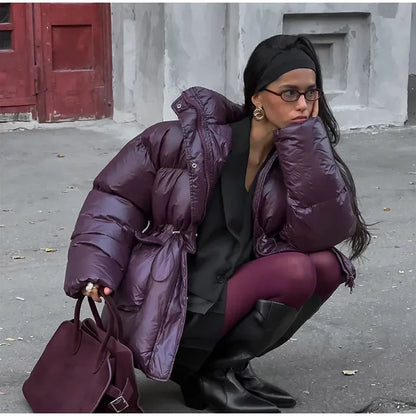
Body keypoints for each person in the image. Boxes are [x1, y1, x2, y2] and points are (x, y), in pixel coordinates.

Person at [64, 34, 371, 413]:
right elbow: (115, 199)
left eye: (312, 94)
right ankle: (202, 377)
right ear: (258, 97)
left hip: (229, 295)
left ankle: (227, 369)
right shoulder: (181, 142)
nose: (304, 105)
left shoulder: (292, 160)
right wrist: (94, 270)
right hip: (169, 304)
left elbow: (321, 234)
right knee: (294, 270)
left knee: (324, 265)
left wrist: (307, 147)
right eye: (290, 93)